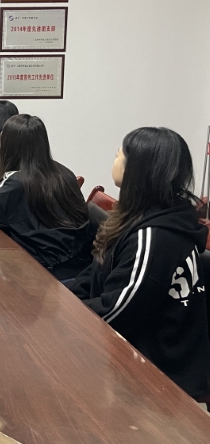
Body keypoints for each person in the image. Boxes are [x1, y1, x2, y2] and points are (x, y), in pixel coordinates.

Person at [69, 127, 210, 399]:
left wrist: (68, 315)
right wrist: (67, 298)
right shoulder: (139, 217)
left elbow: (118, 312)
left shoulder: (154, 237)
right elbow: (97, 270)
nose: (115, 156)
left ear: (139, 170)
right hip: (129, 352)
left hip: (159, 377)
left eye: (120, 154)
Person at [0, 114, 93, 279]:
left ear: (10, 146)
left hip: (44, 269)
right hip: (78, 263)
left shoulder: (18, 182)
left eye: (0, 139)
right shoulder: (64, 173)